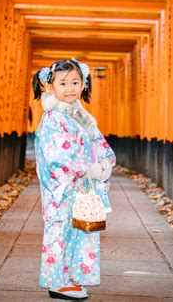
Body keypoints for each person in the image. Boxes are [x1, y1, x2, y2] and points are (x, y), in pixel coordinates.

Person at [32, 59, 116, 300]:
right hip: (62, 188)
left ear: (83, 84)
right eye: (63, 83)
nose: (70, 88)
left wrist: (105, 163)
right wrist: (91, 168)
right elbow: (59, 156)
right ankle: (56, 282)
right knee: (59, 232)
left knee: (76, 232)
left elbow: (101, 146)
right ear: (51, 86)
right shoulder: (53, 118)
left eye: (75, 82)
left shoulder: (79, 116)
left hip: (79, 186)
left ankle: (66, 278)